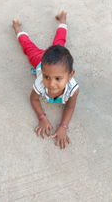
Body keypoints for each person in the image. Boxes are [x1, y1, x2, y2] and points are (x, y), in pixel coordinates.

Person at [12, 11, 79, 149]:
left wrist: (63, 127)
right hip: (39, 60)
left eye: (58, 78)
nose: (51, 83)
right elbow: (33, 99)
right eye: (46, 76)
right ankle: (17, 28)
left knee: (60, 41)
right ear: (42, 73)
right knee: (28, 47)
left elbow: (70, 106)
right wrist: (42, 117)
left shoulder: (74, 88)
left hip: (54, 61)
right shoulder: (40, 82)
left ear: (70, 75)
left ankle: (63, 20)